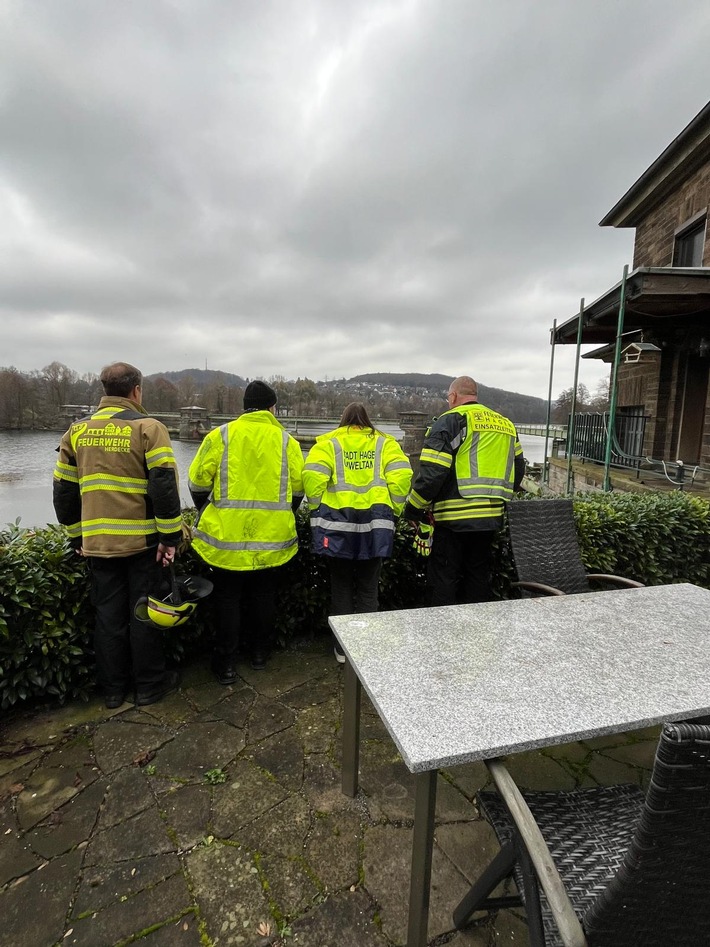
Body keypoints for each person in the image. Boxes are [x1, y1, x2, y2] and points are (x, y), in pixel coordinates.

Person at [53, 362, 183, 709]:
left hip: (98, 544)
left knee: (108, 618)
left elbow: (64, 491)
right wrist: (170, 539)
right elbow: (164, 486)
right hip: (142, 543)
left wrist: (76, 537)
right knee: (144, 614)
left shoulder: (76, 432)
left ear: (104, 389)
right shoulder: (148, 427)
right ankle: (149, 688)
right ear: (136, 390)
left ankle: (112, 691)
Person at [188, 380, 304, 681]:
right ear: (272, 407)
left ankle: (225, 664)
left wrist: (205, 508)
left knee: (227, 599)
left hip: (226, 538)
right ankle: (259, 655)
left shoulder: (221, 435)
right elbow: (299, 489)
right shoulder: (286, 441)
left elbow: (198, 482)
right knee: (263, 596)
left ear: (244, 406)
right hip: (272, 538)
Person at [303, 403, 413, 662]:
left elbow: (311, 476)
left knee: (340, 587)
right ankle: (366, 648)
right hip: (376, 526)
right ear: (367, 421)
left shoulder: (329, 443)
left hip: (337, 525)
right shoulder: (385, 444)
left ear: (343, 420)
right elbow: (403, 476)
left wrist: (318, 509)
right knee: (368, 588)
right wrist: (393, 509)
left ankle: (342, 649)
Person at [404, 375, 525, 606]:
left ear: (453, 396)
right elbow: (519, 469)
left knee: (444, 579)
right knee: (477, 577)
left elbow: (432, 475)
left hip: (453, 518)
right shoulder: (506, 424)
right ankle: (476, 633)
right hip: (490, 517)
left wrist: (413, 509)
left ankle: (443, 632)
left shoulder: (449, 421)